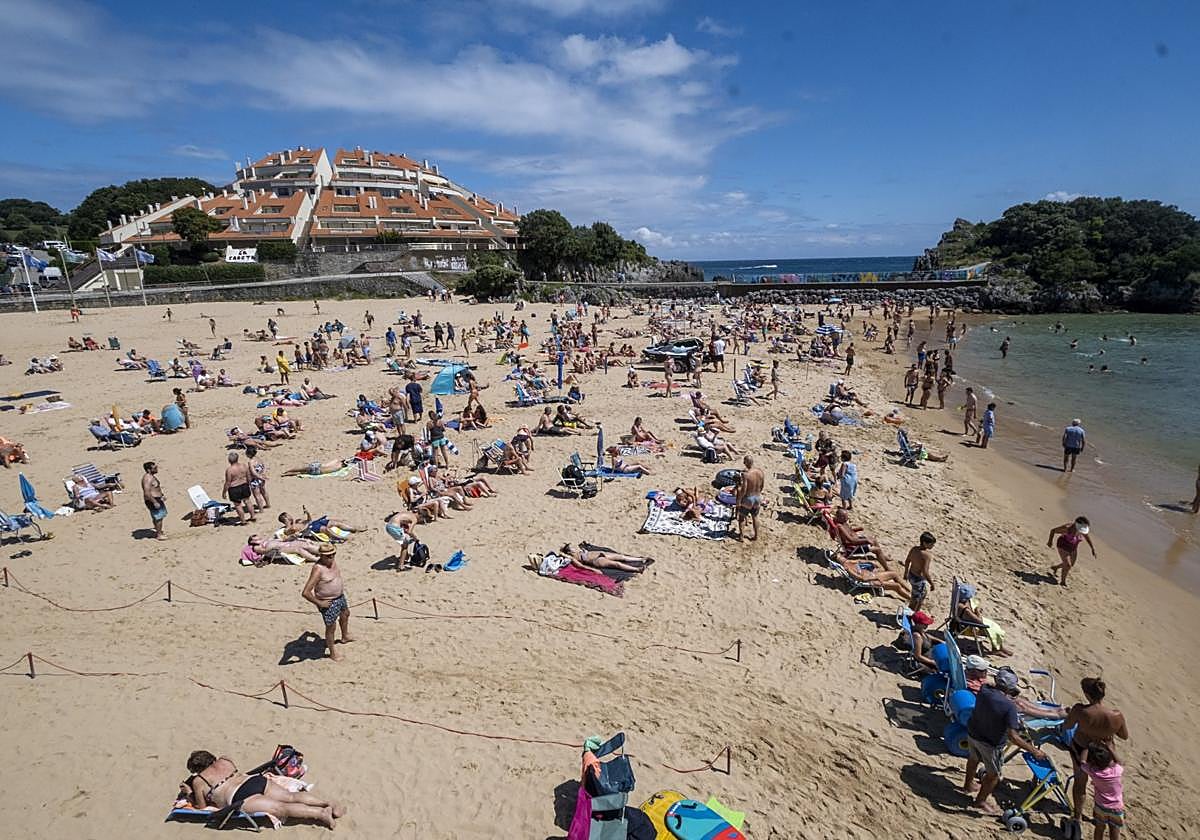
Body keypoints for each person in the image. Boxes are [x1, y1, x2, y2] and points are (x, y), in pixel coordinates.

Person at [962, 667, 1046, 816]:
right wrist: (1034, 751)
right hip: (990, 743)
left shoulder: (984, 690)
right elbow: (1013, 736)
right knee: (993, 775)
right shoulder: (1008, 707)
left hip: (973, 732)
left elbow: (994, 691)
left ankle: (968, 785)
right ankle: (980, 801)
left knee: (973, 759)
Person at [184, 750, 344, 828]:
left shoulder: (200, 780)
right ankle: (328, 803)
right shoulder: (225, 759)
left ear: (197, 769)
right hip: (254, 780)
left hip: (239, 796)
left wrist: (189, 792)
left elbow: (202, 807)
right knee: (290, 797)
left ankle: (321, 814)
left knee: (281, 808)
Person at [1065, 677, 1129, 824]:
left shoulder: (1080, 710)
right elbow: (1124, 736)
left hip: (1081, 749)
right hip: (1105, 754)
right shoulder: (1116, 715)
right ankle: (1101, 814)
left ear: (1087, 694)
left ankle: (1078, 816)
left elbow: (1068, 726)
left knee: (1080, 784)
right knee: (1104, 787)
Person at [302, 544, 353, 661]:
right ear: (321, 556)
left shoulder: (333, 562)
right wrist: (319, 603)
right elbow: (306, 592)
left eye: (333, 555)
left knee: (345, 614)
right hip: (327, 601)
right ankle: (332, 653)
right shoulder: (318, 569)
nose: (331, 557)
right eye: (328, 556)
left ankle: (345, 636)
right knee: (331, 627)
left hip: (340, 597)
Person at [1079, 741, 1126, 839]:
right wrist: (1110, 748)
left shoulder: (1093, 772)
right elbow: (1120, 762)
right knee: (1114, 830)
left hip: (1100, 806)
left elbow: (1082, 762)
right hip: (1116, 807)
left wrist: (1087, 747)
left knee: (1099, 828)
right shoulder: (1117, 771)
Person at [1048, 516, 1096, 587]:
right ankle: (1063, 582)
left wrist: (1092, 548)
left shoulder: (1082, 530)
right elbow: (1053, 531)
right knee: (1068, 565)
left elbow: (1087, 537)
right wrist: (1050, 541)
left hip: (1073, 547)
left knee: (1071, 565)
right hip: (1063, 545)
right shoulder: (1067, 528)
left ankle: (1056, 567)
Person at [561, 543, 654, 574]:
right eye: (570, 547)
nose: (573, 547)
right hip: (596, 561)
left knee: (621, 556)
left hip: (601, 554)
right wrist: (593, 570)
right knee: (617, 564)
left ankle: (640, 559)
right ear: (569, 551)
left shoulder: (579, 551)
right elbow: (581, 566)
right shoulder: (573, 557)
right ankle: (638, 569)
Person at [903, 531, 936, 612]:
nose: (933, 546)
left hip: (911, 575)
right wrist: (932, 583)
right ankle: (914, 614)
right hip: (918, 579)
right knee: (919, 598)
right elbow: (925, 572)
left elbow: (907, 561)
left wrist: (905, 573)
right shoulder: (926, 555)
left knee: (914, 595)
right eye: (931, 544)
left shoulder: (914, 549)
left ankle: (910, 611)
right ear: (925, 543)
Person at [735, 455, 764, 541]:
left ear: (747, 462)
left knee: (741, 517)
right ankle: (756, 536)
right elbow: (762, 486)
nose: (743, 463)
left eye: (744, 461)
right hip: (757, 497)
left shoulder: (746, 474)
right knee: (755, 517)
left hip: (748, 498)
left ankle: (741, 536)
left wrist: (739, 501)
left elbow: (743, 489)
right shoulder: (760, 472)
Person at [222, 451, 255, 524]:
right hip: (244, 485)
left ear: (229, 460)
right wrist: (249, 484)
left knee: (237, 505)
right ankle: (253, 516)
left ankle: (243, 521)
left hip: (235, 488)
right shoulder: (244, 466)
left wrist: (224, 492)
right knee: (247, 501)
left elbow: (228, 482)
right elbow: (248, 476)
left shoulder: (229, 470)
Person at [141, 461, 166, 540]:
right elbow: (147, 492)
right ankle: (159, 534)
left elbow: (155, 488)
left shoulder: (151, 476)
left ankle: (158, 531)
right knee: (159, 517)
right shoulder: (147, 478)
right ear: (148, 470)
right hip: (153, 499)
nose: (156, 469)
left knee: (156, 517)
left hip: (157, 498)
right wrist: (154, 502)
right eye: (154, 468)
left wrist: (161, 495)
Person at [245, 444, 269, 513]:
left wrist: (259, 477)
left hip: (255, 480)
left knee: (257, 495)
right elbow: (264, 467)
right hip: (261, 477)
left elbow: (253, 472)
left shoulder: (250, 462)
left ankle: (261, 509)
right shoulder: (258, 458)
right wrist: (263, 475)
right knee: (264, 492)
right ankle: (268, 504)